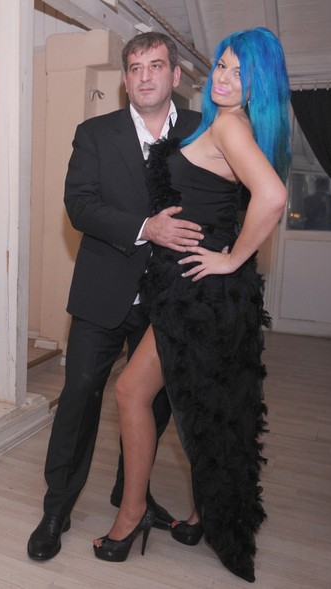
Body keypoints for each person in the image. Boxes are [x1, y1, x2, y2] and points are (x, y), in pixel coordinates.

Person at [93, 27, 291, 584]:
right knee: (209, 406)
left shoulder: (229, 125)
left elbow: (273, 196)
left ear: (259, 84)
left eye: (239, 72)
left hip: (199, 291)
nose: (224, 78)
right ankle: (205, 515)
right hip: (194, 291)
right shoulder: (228, 123)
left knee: (132, 392)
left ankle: (131, 515)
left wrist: (231, 259)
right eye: (222, 66)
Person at [27, 32, 204, 561]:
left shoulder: (203, 131)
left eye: (156, 65)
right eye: (135, 67)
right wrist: (146, 227)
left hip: (172, 298)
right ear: (125, 79)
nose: (145, 76)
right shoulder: (95, 134)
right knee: (79, 397)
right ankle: (57, 509)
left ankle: (132, 496)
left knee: (154, 402)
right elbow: (79, 205)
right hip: (103, 293)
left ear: (176, 75)